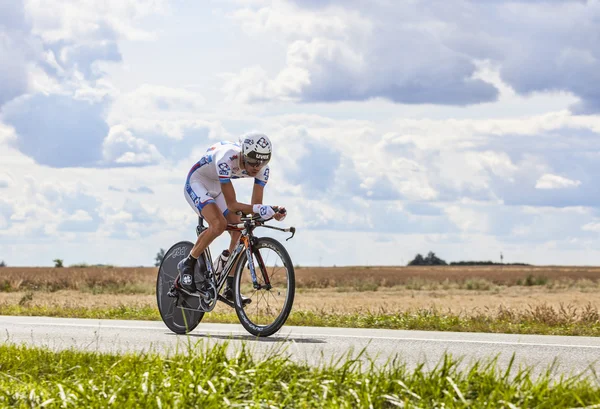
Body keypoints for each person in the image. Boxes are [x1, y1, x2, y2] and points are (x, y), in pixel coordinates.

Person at [176, 132, 286, 304]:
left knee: (240, 233)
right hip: (197, 182)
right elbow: (233, 205)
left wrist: (272, 212)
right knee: (219, 224)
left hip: (217, 185)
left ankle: (229, 287)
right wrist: (263, 208)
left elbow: (254, 209)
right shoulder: (226, 159)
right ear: (243, 154)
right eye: (253, 161)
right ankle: (188, 262)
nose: (257, 166)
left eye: (263, 161)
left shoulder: (262, 169)